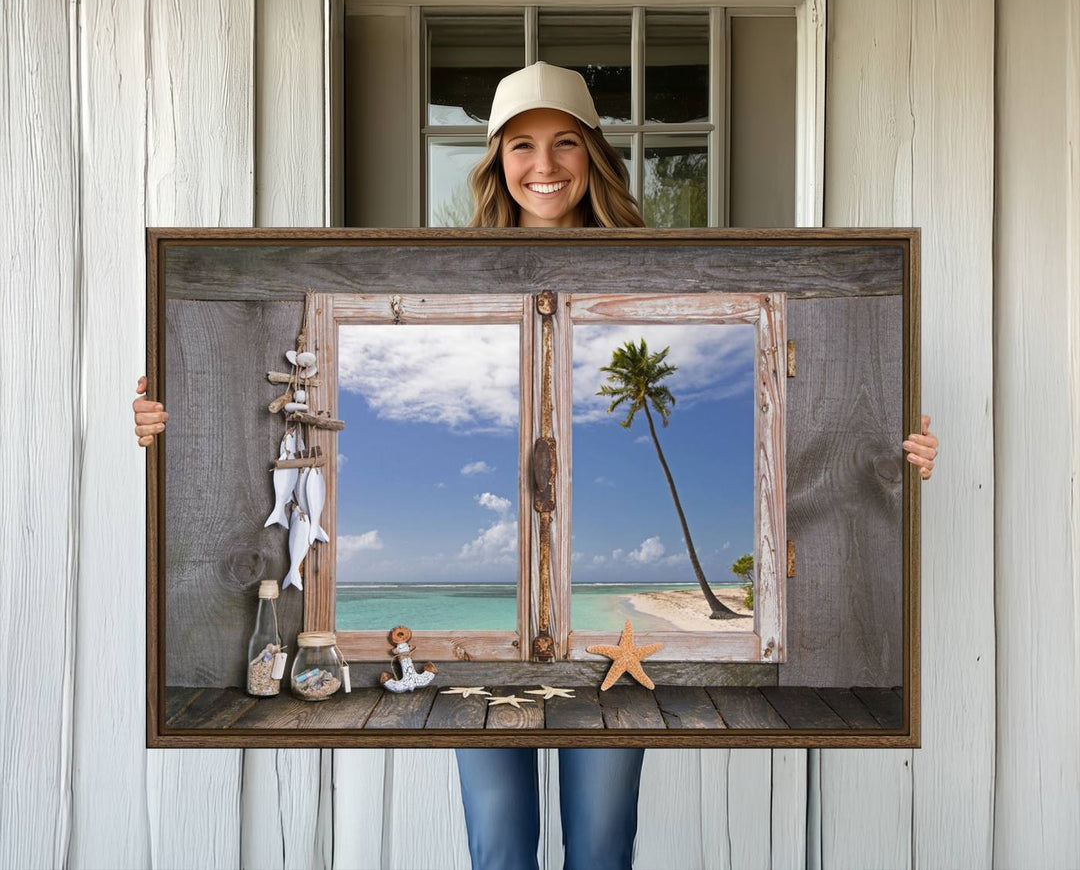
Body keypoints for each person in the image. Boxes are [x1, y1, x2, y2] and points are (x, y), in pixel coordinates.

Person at [132, 62, 939, 870]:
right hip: (476, 649)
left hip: (601, 649)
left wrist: (892, 453)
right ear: (495, 161)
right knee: (500, 848)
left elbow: (778, 408)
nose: (544, 166)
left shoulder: (674, 282)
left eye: (564, 144)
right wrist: (169, 418)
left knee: (600, 847)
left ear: (593, 155)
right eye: (522, 145)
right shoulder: (436, 288)